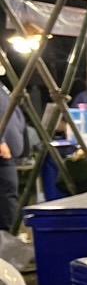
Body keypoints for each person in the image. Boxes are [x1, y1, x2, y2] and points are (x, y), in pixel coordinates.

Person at [0, 84, 26, 232]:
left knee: (8, 195)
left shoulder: (3, 87)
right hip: (3, 153)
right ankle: (8, 236)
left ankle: (8, 236)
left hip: (10, 151)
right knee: (7, 197)